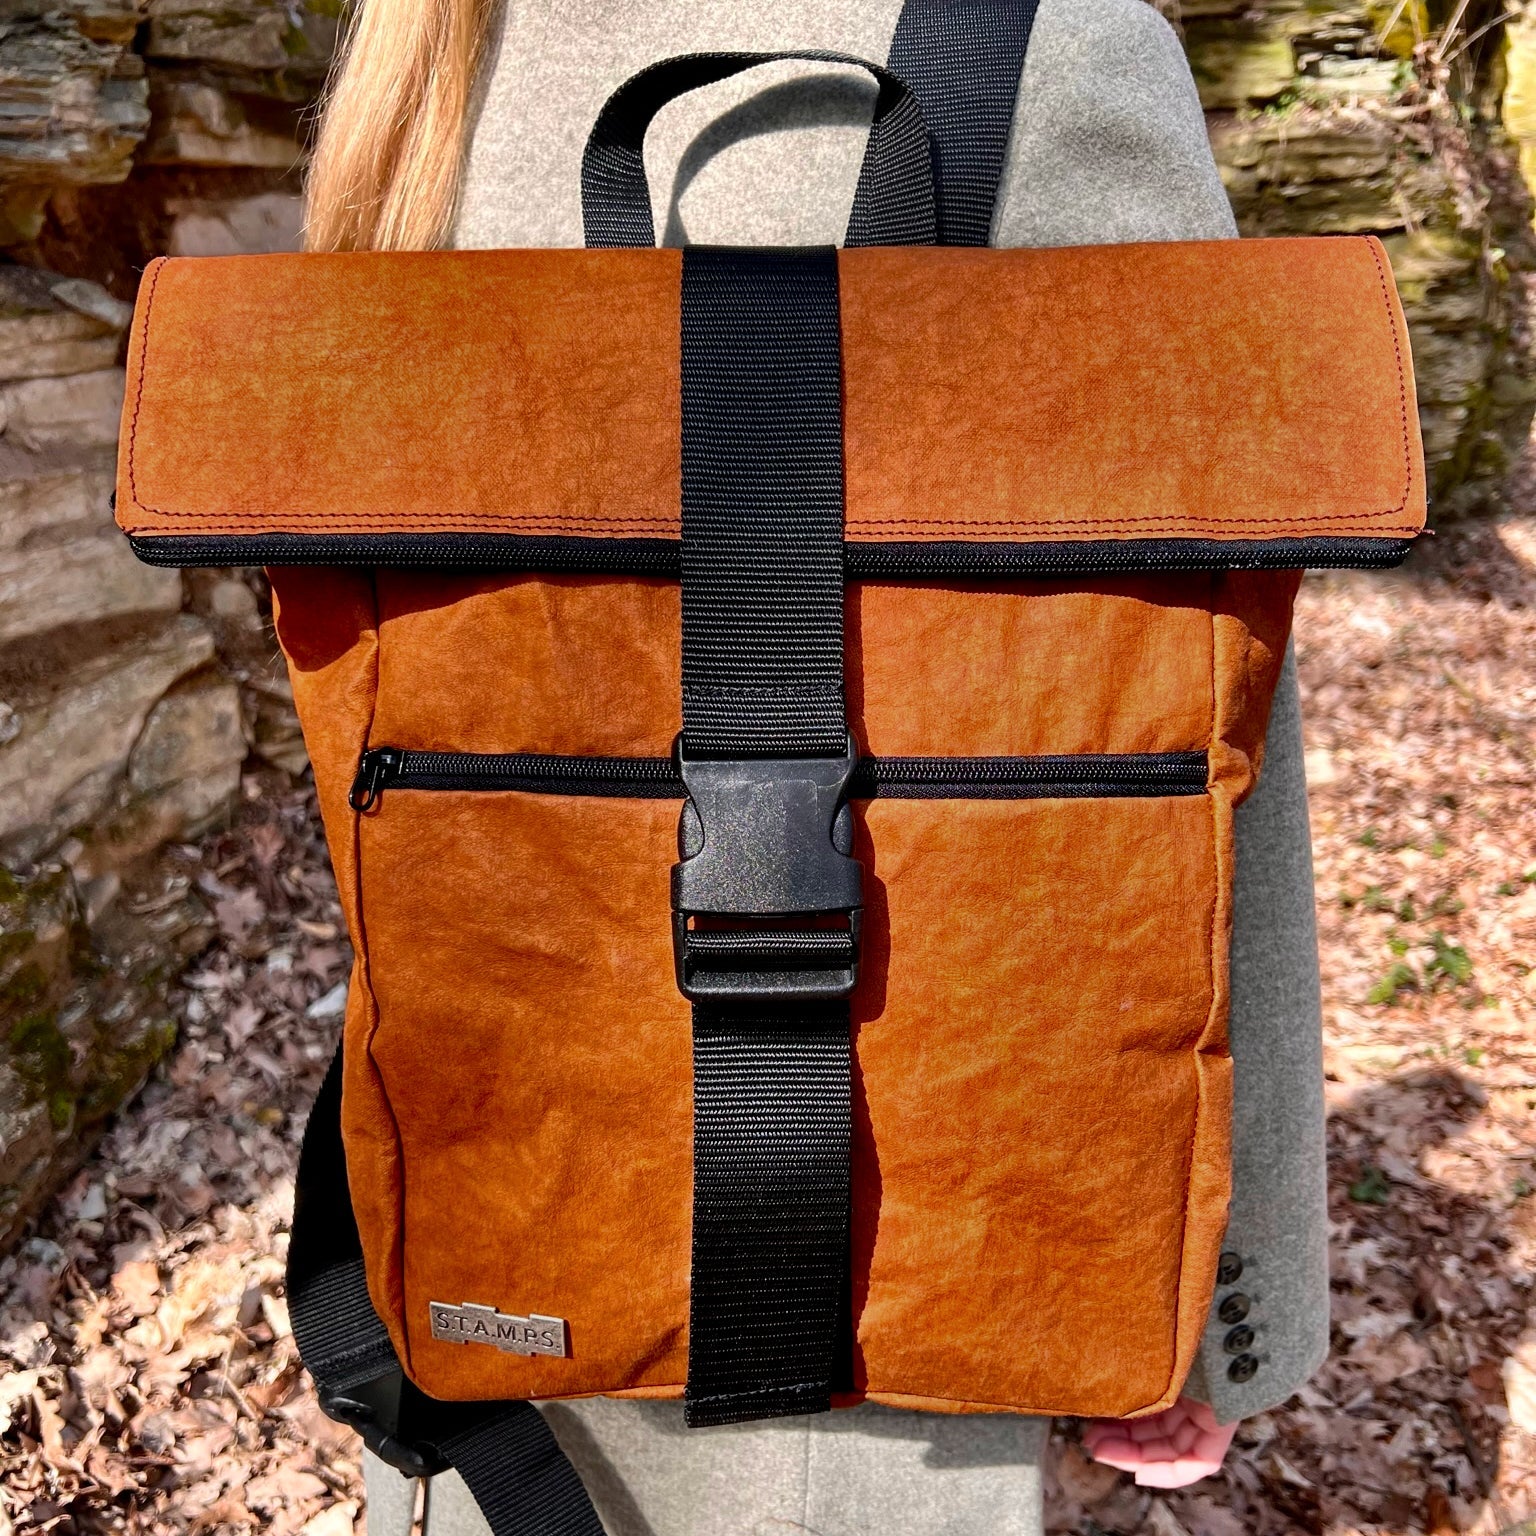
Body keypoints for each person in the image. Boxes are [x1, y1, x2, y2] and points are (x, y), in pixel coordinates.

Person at [303, 2, 1333, 1531]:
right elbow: (1206, 719)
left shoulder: (435, 57)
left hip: (482, 1197)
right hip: (888, 1235)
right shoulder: (1042, 43)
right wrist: (1221, 1298)